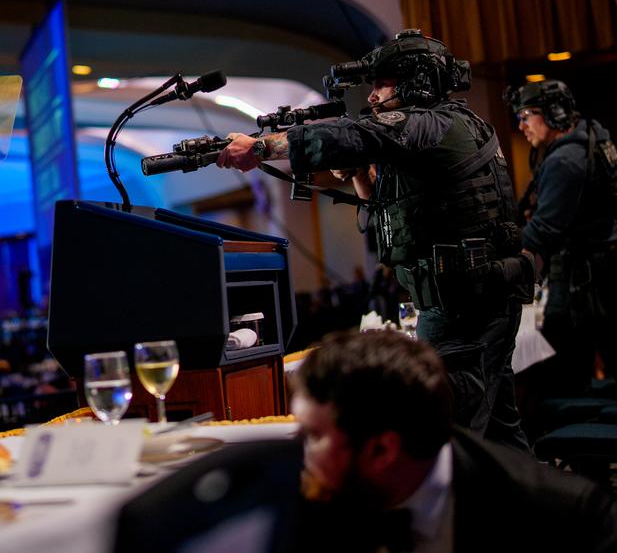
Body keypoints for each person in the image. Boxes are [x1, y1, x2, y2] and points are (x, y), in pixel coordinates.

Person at [218, 29, 532, 450]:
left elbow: (353, 134)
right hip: (477, 298)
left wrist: (260, 147)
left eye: (382, 83)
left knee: (446, 438)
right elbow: (387, 209)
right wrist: (362, 176)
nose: (374, 96)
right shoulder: (456, 124)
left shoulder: (427, 122)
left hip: (462, 307)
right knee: (497, 431)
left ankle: (462, 515)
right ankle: (537, 507)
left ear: (414, 81)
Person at [291, 329, 617, 553]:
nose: (298, 452)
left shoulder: (556, 512)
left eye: (311, 436)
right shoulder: (307, 499)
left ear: (382, 451)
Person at [506, 79, 617, 398]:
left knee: (562, 383)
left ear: (553, 113)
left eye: (526, 115)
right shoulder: (593, 139)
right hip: (605, 275)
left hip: (583, 283)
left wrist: (500, 259)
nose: (521, 125)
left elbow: (543, 230)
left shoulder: (564, 160)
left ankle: (572, 444)